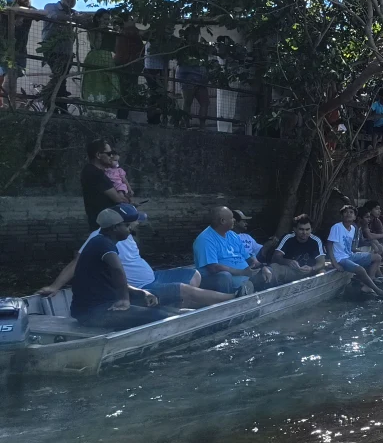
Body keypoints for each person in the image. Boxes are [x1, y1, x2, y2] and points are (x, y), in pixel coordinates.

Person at [38, 203, 235, 309]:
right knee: (185, 289)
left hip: (154, 277)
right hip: (140, 287)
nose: (138, 223)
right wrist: (55, 286)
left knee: (194, 275)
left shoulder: (125, 234)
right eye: (135, 221)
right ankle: (232, 299)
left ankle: (176, 304)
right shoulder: (101, 238)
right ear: (121, 224)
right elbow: (77, 262)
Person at [68, 207, 171, 329]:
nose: (130, 229)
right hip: (92, 313)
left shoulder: (103, 242)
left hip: (102, 305)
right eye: (126, 226)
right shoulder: (103, 244)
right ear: (115, 227)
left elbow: (115, 281)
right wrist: (124, 299)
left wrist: (141, 292)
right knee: (161, 317)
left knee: (156, 302)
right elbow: (117, 269)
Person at [194, 206, 273, 295]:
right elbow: (213, 268)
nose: (234, 220)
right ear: (222, 221)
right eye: (231, 218)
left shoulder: (233, 235)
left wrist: (262, 267)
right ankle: (232, 299)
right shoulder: (205, 239)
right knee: (224, 276)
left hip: (245, 276)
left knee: (267, 271)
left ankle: (259, 298)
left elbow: (248, 258)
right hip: (217, 280)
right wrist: (242, 272)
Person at [328, 203, 383, 297]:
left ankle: (367, 286)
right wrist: (335, 263)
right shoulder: (337, 227)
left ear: (355, 217)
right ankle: (378, 291)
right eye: (345, 212)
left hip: (349, 255)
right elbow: (329, 245)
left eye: (351, 212)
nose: (348, 214)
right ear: (341, 215)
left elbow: (350, 247)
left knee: (377, 257)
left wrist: (362, 253)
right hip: (340, 259)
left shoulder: (353, 228)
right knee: (360, 269)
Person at [41, 0, 81, 114]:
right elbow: (55, 17)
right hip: (52, 49)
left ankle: (54, 107)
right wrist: (74, 18)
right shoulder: (50, 6)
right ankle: (60, 109)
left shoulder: (74, 13)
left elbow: (84, 20)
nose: (71, 0)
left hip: (67, 52)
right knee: (60, 79)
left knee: (60, 79)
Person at [81, 9, 121, 113]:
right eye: (105, 19)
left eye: (108, 19)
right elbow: (97, 46)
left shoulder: (110, 31)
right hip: (95, 58)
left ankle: (106, 109)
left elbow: (115, 49)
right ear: (98, 18)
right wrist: (100, 31)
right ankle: (93, 109)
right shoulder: (93, 30)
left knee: (110, 83)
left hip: (108, 58)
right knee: (95, 84)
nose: (107, 21)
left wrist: (116, 34)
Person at [0, 0, 35, 98]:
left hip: (20, 50)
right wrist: (13, 10)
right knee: (4, 77)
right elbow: (6, 9)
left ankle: (9, 105)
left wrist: (20, 10)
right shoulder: (4, 5)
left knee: (12, 79)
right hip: (3, 49)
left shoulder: (29, 9)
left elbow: (44, 13)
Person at [270, 214, 327, 283]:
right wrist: (288, 262)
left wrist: (312, 268)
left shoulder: (316, 241)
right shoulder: (288, 238)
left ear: (311, 230)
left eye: (307, 229)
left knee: (322, 272)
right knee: (274, 267)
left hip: (310, 273)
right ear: (295, 229)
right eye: (301, 229)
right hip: (290, 271)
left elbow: (321, 263)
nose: (304, 232)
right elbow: (275, 257)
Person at [81, 139, 125, 227]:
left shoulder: (89, 169)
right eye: (109, 153)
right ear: (98, 155)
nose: (112, 156)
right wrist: (126, 198)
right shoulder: (96, 174)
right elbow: (118, 199)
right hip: (106, 224)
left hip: (101, 220)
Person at [176, 26, 210, 126]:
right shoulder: (182, 46)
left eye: (196, 34)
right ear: (187, 35)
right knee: (188, 102)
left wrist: (206, 75)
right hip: (187, 78)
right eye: (192, 34)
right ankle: (186, 125)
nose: (195, 36)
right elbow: (180, 61)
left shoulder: (201, 47)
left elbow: (206, 62)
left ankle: (202, 126)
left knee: (205, 102)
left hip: (200, 78)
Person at [360, 200, 383, 276]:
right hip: (364, 246)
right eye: (377, 209)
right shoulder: (364, 220)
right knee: (377, 245)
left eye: (380, 209)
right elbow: (369, 236)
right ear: (370, 210)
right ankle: (379, 274)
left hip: (372, 246)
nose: (379, 211)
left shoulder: (377, 221)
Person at [368, 87, 383, 155]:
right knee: (374, 140)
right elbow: (370, 110)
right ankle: (373, 153)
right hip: (377, 125)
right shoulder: (376, 104)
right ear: (380, 96)